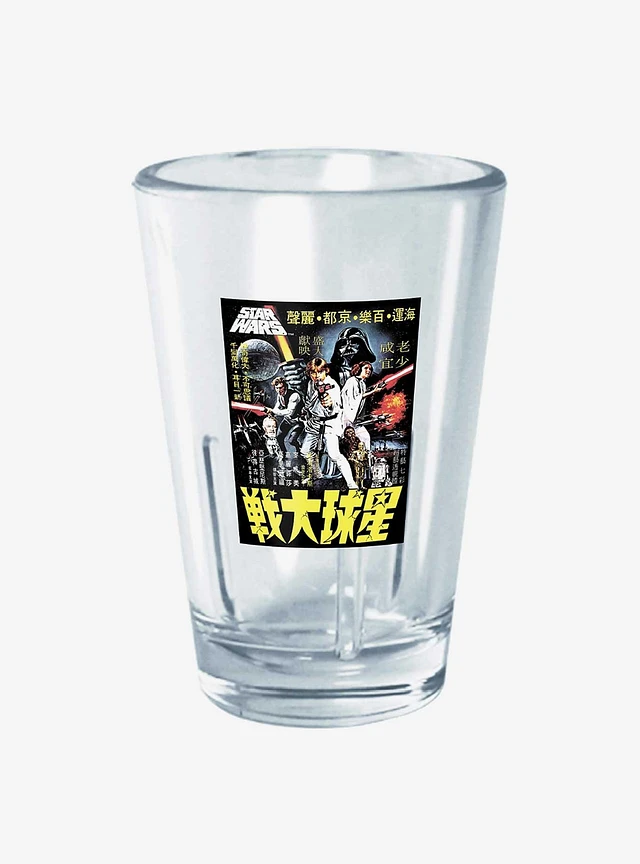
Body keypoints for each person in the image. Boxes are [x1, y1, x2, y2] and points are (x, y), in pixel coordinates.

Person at [300, 357, 357, 489]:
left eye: (319, 372)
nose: (316, 376)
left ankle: (351, 483)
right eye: (313, 373)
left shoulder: (332, 385)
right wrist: (306, 410)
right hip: (315, 422)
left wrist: (329, 403)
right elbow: (309, 401)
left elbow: (336, 406)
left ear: (326, 371)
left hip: (330, 423)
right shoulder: (311, 384)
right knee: (305, 451)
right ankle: (317, 475)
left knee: (334, 455)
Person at [341, 361, 385, 450]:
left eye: (370, 369)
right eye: (366, 368)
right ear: (359, 369)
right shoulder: (352, 381)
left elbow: (361, 399)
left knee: (365, 438)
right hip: (346, 419)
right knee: (343, 442)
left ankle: (366, 458)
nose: (368, 371)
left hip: (356, 420)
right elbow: (354, 399)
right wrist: (373, 391)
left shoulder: (362, 383)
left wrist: (372, 391)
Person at [269, 376, 303, 455]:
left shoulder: (294, 395)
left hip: (298, 421)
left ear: (285, 386)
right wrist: (272, 411)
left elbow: (289, 412)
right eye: (277, 388)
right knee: (279, 438)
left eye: (281, 388)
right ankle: (283, 455)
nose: (279, 390)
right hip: (288, 420)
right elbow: (277, 407)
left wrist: (273, 411)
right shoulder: (279, 396)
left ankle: (299, 451)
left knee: (291, 441)